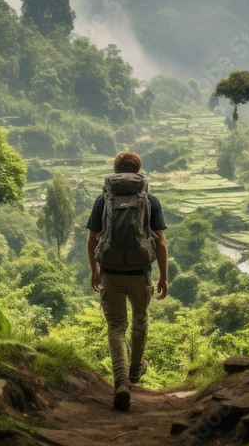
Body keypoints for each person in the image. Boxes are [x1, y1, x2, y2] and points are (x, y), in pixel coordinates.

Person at [86, 151, 169, 411]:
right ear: (138, 171)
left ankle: (121, 382)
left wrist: (95, 269)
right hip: (140, 271)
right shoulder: (150, 200)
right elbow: (161, 243)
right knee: (140, 319)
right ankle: (134, 373)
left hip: (110, 270)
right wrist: (163, 277)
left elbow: (92, 240)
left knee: (116, 327)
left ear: (116, 169)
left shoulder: (104, 199)